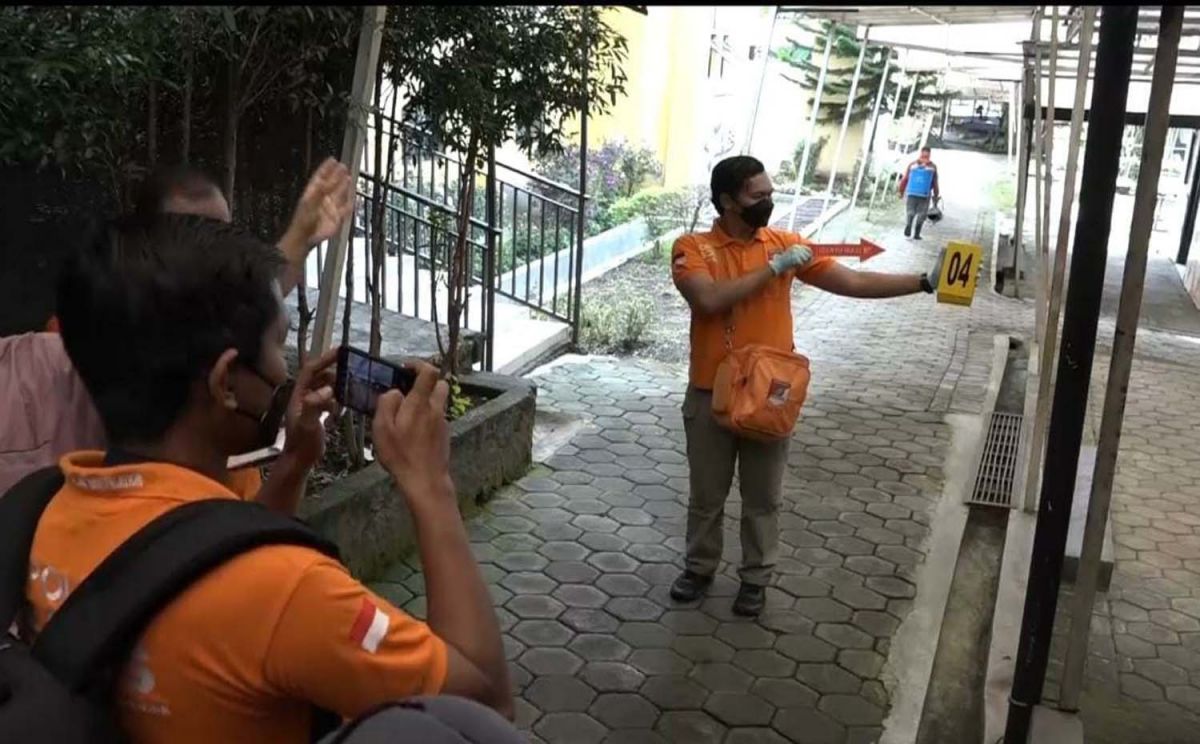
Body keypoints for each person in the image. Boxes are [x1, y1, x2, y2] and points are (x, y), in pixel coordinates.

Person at [23, 215, 513, 742]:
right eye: (280, 347)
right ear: (227, 384)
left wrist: (296, 460)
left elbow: (195, 552)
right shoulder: (291, 590)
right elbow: (483, 702)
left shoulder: (39, 509)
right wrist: (431, 484)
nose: (286, 370)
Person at [669, 155, 939, 617]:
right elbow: (708, 300)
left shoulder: (786, 242)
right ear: (728, 201)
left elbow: (852, 280)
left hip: (772, 393)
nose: (768, 202)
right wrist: (772, 271)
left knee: (763, 497)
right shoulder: (693, 248)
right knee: (706, 495)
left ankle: (755, 579)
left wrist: (922, 282)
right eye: (758, 195)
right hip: (712, 393)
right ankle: (699, 568)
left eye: (771, 192)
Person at [0, 159, 353, 506]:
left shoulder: (221, 424)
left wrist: (294, 462)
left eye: (225, 243)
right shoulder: (33, 372)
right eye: (192, 244)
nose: (218, 270)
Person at [898, 146, 940, 240]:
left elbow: (905, 179)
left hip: (912, 192)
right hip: (925, 194)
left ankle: (909, 223)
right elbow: (935, 182)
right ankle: (917, 234)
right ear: (929, 154)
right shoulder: (932, 167)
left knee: (910, 210)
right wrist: (936, 196)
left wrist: (901, 191)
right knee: (922, 214)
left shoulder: (913, 165)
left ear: (920, 153)